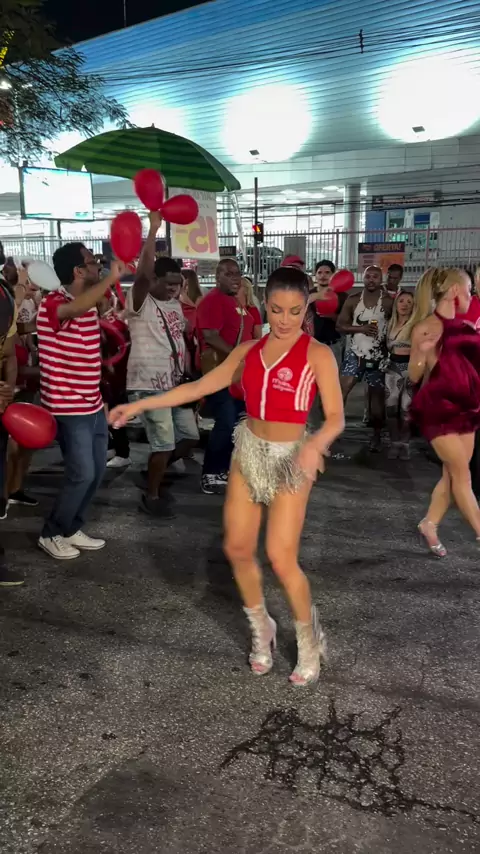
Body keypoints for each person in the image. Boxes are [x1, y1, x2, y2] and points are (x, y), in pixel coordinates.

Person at [110, 266, 345, 686]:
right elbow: (198, 387)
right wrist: (140, 406)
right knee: (236, 547)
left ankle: (309, 639)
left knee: (280, 557)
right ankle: (262, 626)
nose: (285, 319)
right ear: (264, 305)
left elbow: (336, 419)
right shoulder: (248, 351)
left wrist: (315, 445)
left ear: (306, 308)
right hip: (249, 450)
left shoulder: (317, 354)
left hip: (292, 458)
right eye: (277, 310)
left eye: (294, 311)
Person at [36, 245, 126, 560]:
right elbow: (72, 310)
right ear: (78, 270)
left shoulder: (87, 304)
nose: (99, 266)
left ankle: (71, 527)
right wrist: (111, 278)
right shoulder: (53, 302)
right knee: (82, 473)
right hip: (67, 406)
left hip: (92, 403)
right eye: (93, 262)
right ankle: (51, 533)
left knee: (97, 471)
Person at [126, 212, 199, 516]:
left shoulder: (174, 305)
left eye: (177, 284)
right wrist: (153, 229)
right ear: (155, 280)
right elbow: (143, 275)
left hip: (175, 384)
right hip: (148, 384)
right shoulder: (140, 301)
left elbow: (180, 340)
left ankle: (154, 471)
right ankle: (152, 495)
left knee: (190, 437)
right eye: (168, 283)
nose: (173, 289)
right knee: (164, 443)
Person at [408, 268, 480, 557]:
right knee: (463, 477)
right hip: (439, 412)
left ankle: (429, 523)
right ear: (455, 292)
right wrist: (423, 353)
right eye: (469, 290)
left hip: (467, 409)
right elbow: (414, 375)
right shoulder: (424, 328)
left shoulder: (467, 327)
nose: (471, 296)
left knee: (452, 475)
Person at [196, 258, 261, 495]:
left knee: (235, 423)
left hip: (237, 374)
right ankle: (211, 473)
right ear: (217, 277)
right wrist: (238, 357)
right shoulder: (213, 301)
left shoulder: (233, 301)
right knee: (225, 422)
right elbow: (210, 336)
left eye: (238, 273)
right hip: (222, 372)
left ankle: (222, 469)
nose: (236, 278)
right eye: (229, 274)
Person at [336, 265, 393, 451]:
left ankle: (376, 436)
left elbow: (397, 324)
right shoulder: (353, 300)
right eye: (368, 276)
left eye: (375, 276)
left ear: (381, 279)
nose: (371, 279)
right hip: (355, 353)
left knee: (376, 401)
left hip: (378, 356)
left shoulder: (388, 302)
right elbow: (340, 325)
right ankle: (333, 431)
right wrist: (361, 328)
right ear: (363, 278)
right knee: (340, 392)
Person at [98, 290, 131, 469]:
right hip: (105, 375)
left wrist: (110, 365)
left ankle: (122, 452)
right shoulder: (102, 320)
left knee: (113, 412)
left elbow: (122, 349)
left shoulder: (113, 323)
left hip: (114, 376)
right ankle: (112, 447)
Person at [384, 290, 414, 460]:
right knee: (391, 408)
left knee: (406, 409)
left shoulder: (417, 325)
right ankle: (394, 442)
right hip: (392, 368)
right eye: (402, 301)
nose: (405, 305)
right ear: (396, 304)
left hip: (411, 368)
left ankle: (405, 444)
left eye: (409, 302)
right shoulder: (390, 323)